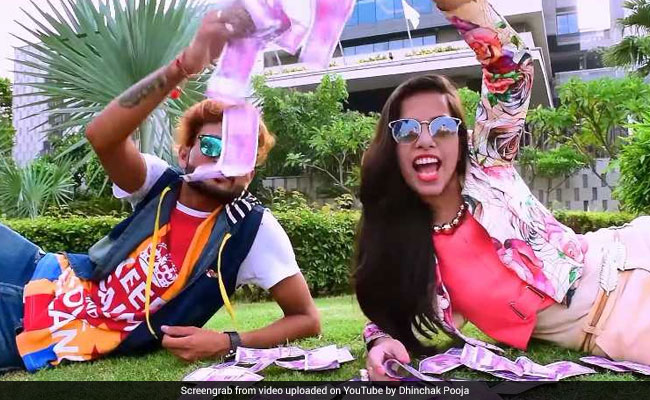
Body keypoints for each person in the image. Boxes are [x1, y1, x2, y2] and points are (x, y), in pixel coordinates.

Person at [0, 8, 320, 374]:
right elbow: (102, 136)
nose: (224, 160)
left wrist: (228, 341)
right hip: (37, 268)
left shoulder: (254, 229)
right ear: (185, 154)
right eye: (212, 146)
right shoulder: (159, 184)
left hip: (45, 331)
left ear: (251, 170)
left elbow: (306, 319)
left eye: (240, 151)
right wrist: (183, 66)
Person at [355, 0, 650, 381]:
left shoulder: (488, 163)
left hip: (628, 254)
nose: (426, 139)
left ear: (461, 139)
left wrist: (459, 6)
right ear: (392, 149)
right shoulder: (411, 249)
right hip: (619, 327)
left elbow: (511, 69)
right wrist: (380, 341)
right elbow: (386, 309)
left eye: (442, 127)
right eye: (407, 130)